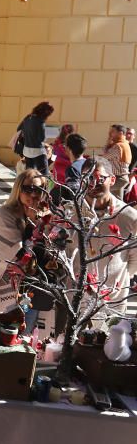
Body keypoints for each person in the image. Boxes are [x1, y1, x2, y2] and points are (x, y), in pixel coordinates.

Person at [0, 169, 52, 329]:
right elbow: (18, 256)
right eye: (27, 188)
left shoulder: (47, 218)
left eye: (38, 189)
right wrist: (34, 224)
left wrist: (42, 223)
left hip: (36, 291)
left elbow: (51, 255)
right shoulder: (3, 214)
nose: (32, 194)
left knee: (29, 343)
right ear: (18, 189)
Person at [77, 157, 137, 318]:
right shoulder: (71, 212)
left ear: (112, 179)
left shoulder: (129, 216)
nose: (93, 183)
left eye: (99, 178)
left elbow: (134, 261)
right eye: (87, 178)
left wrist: (115, 279)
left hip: (112, 302)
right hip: (76, 300)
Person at [15, 101, 55, 177]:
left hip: (26, 150)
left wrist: (28, 133)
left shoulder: (27, 118)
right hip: (38, 151)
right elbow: (41, 138)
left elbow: (18, 129)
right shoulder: (40, 121)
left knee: (29, 174)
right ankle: (42, 188)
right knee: (44, 174)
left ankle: (27, 188)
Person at [103, 124, 133, 197]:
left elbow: (104, 158)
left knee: (101, 191)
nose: (110, 133)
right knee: (118, 202)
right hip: (120, 178)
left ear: (121, 133)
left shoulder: (118, 146)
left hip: (118, 178)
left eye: (113, 131)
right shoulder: (123, 144)